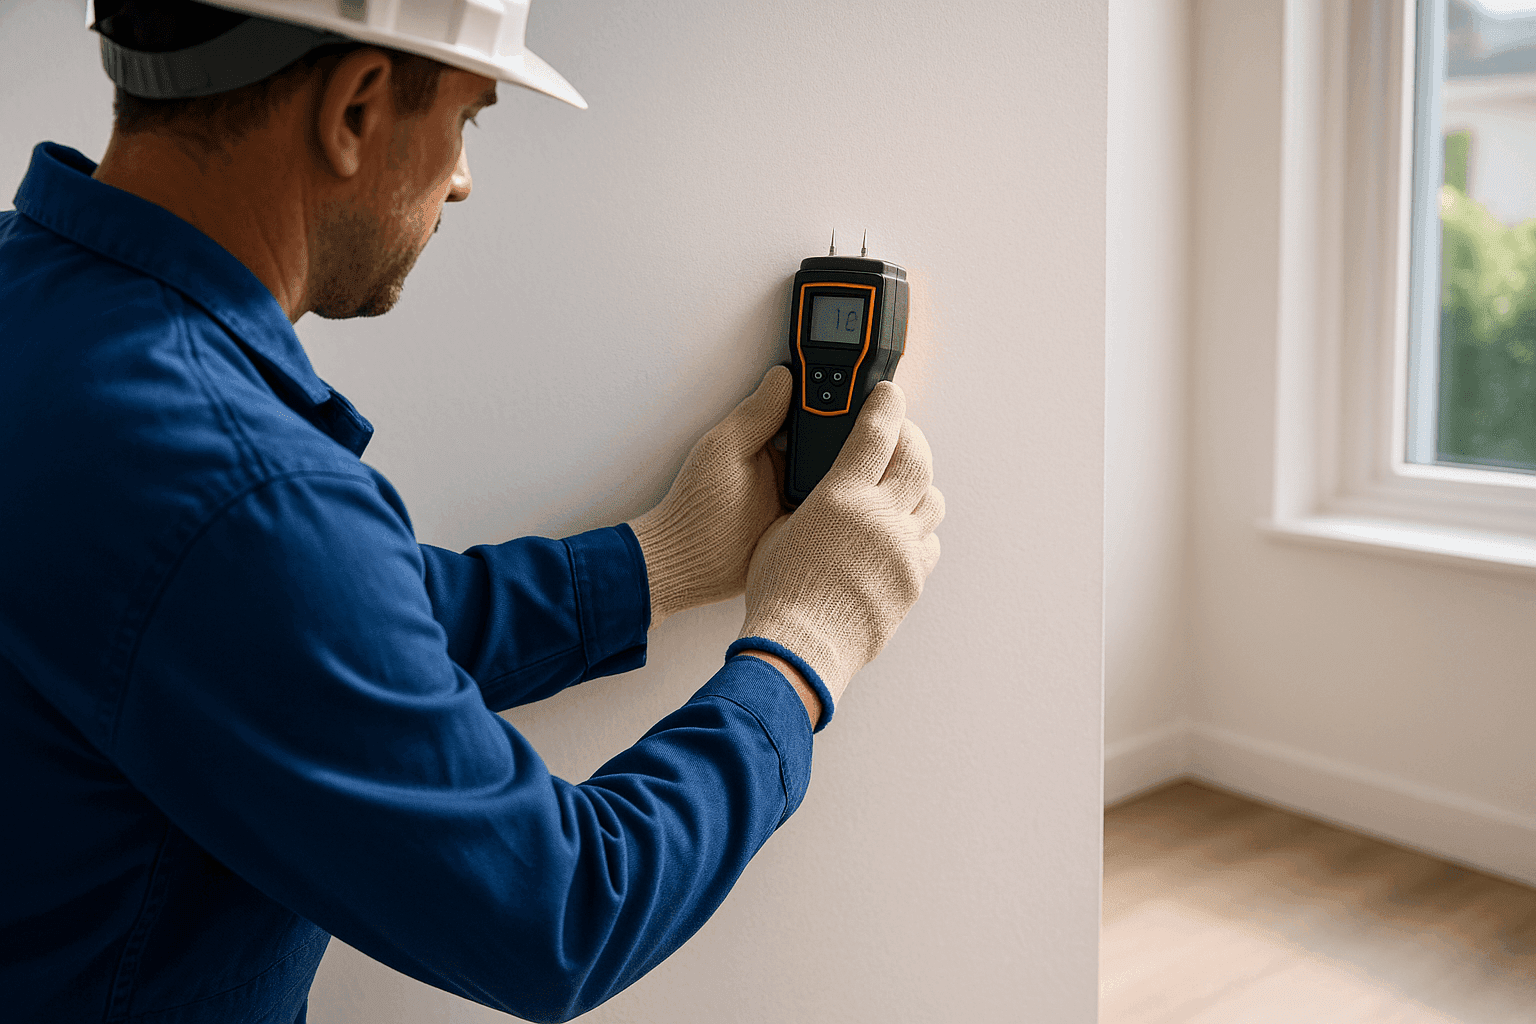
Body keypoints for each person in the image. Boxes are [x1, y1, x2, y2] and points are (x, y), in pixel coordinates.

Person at [0, 1, 944, 1020]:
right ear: (357, 106)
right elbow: (564, 911)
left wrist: (655, 561)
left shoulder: (37, 304)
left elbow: (289, 634)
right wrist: (802, 649)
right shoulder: (236, 497)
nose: (459, 178)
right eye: (469, 119)